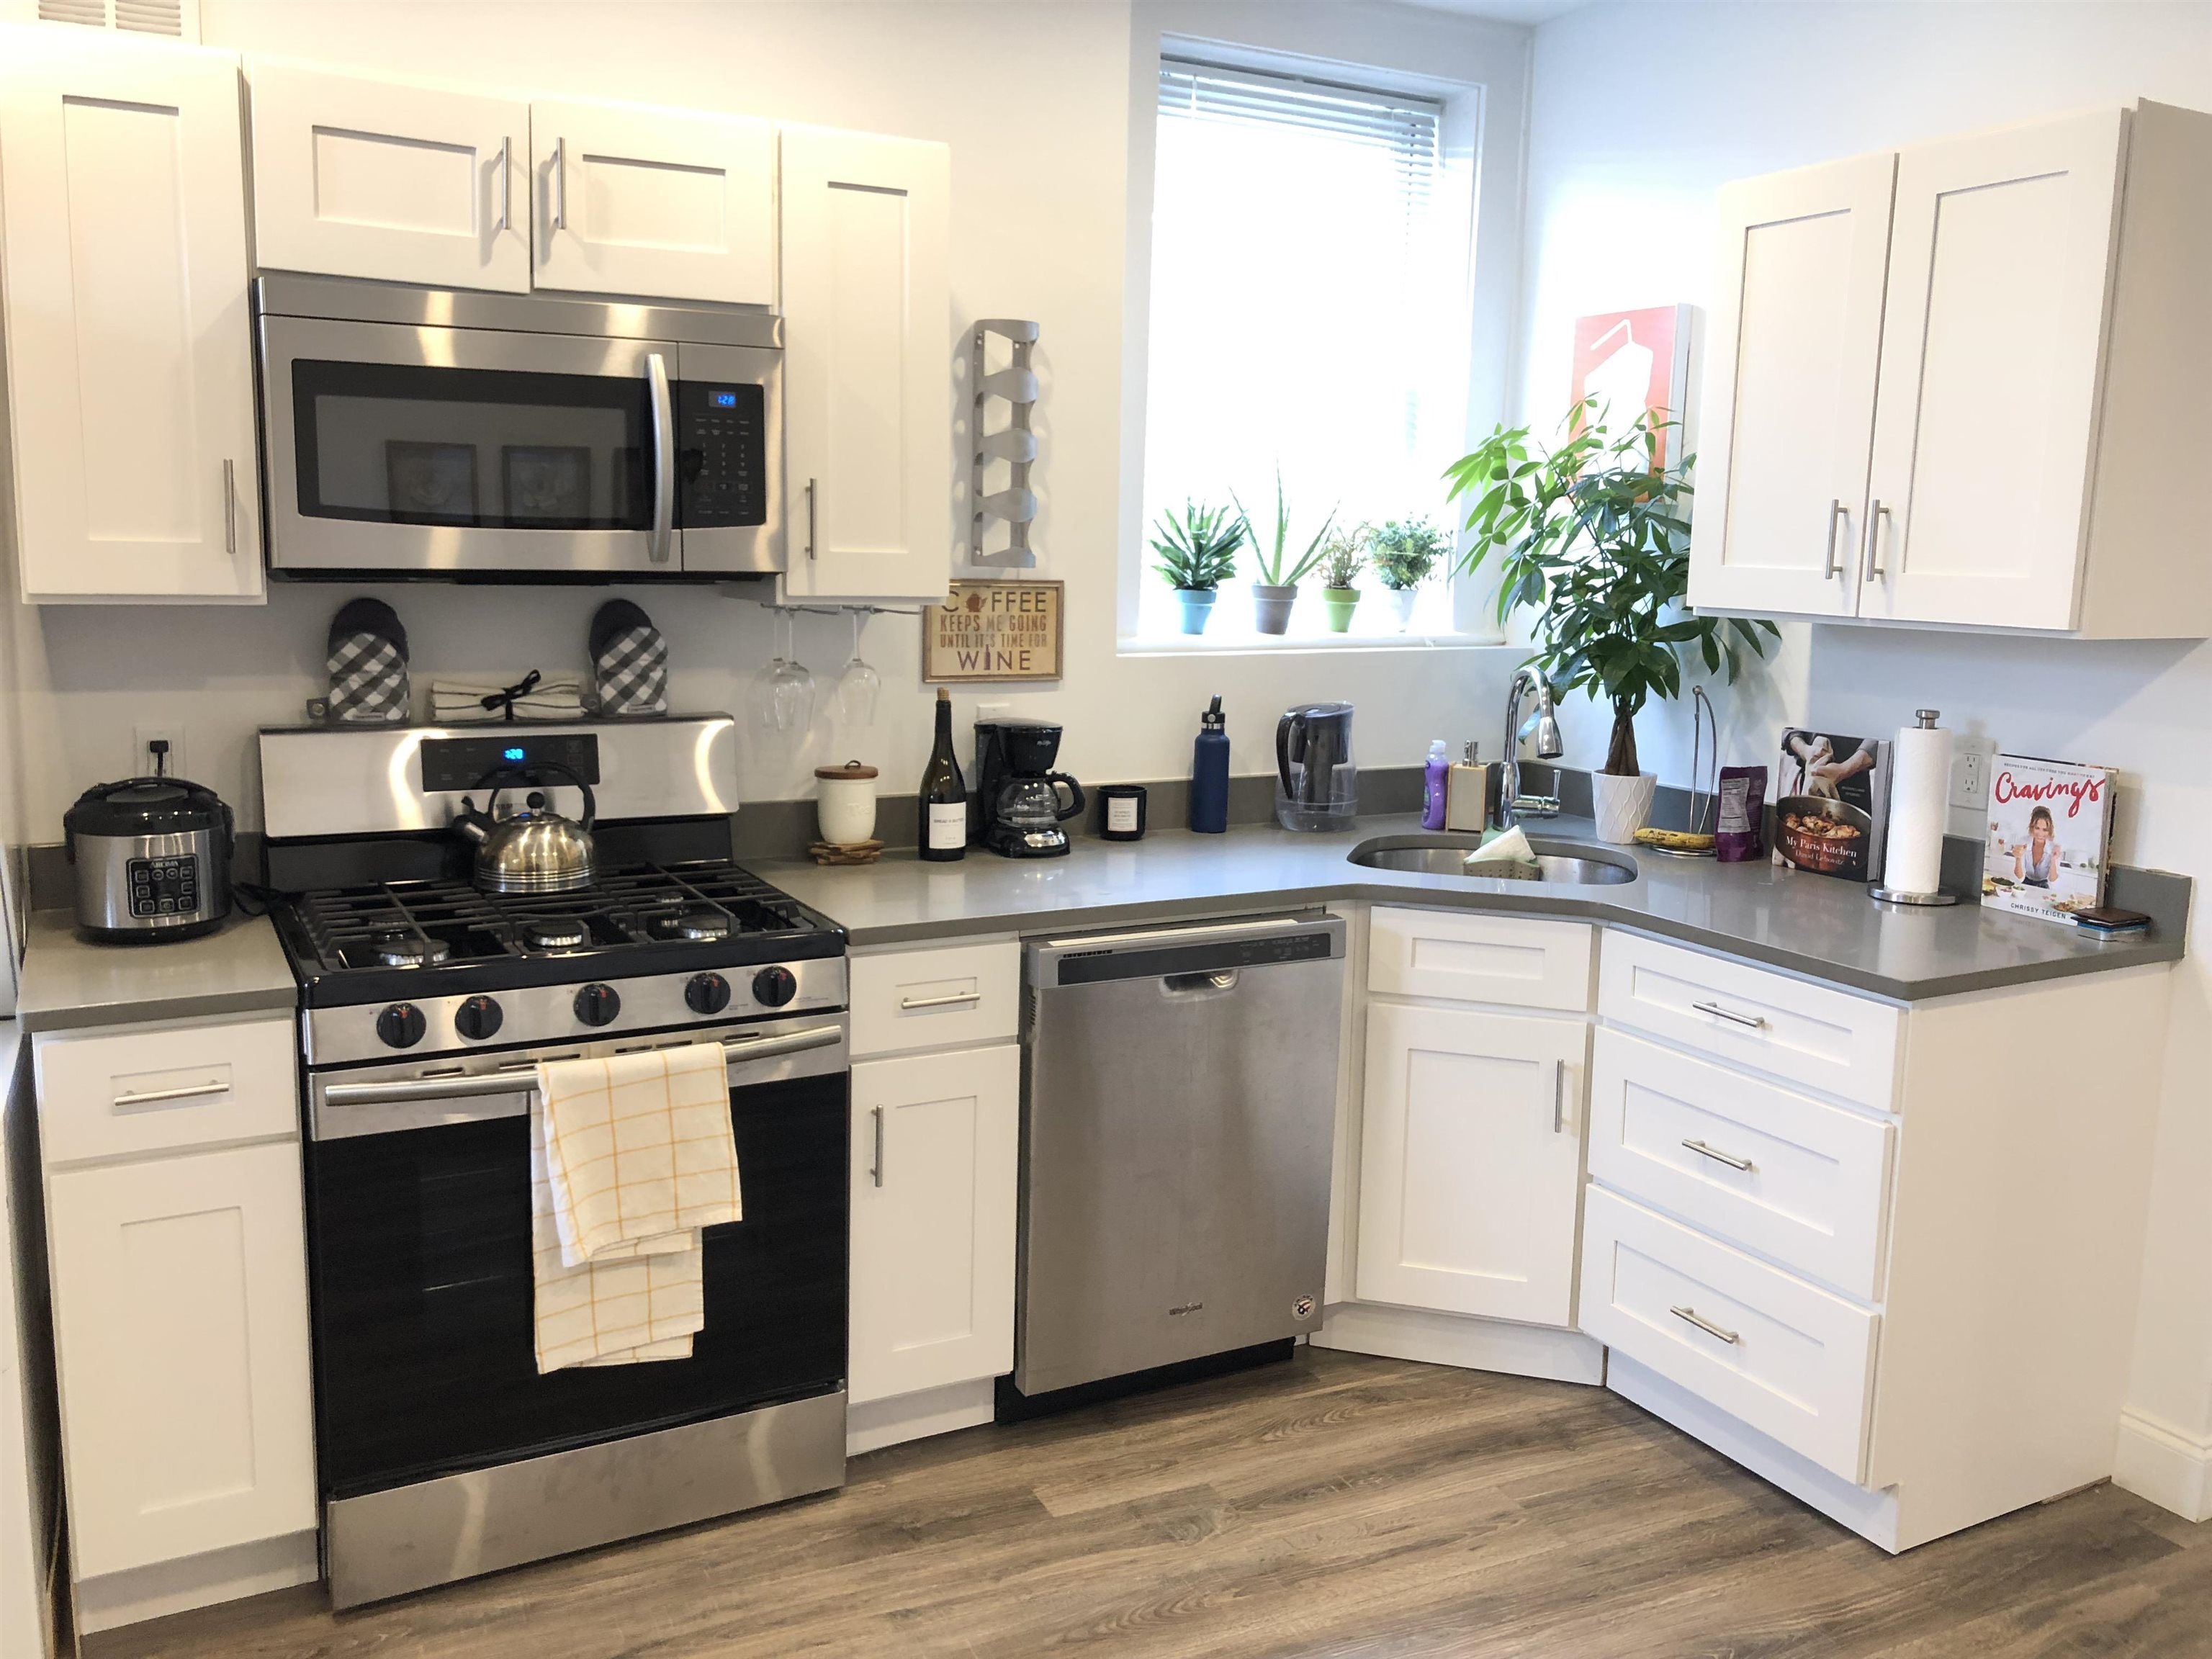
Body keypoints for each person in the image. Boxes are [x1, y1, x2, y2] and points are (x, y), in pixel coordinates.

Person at [2015, 804, 2062, 888]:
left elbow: (2053, 881)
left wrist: (2053, 860)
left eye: (2045, 830)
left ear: (2049, 830)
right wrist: (2018, 858)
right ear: (2032, 827)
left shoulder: (2053, 848)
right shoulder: (2024, 843)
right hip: (2025, 883)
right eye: (2037, 828)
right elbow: (2020, 878)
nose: (2040, 834)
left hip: (2044, 886)